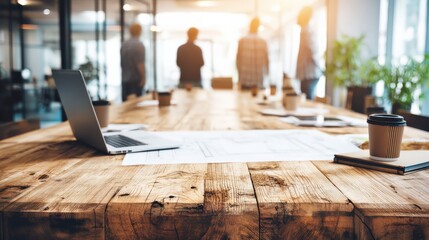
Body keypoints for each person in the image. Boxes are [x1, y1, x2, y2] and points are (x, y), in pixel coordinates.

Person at [295, 6, 322, 100]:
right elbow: (313, 51)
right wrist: (320, 67)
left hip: (308, 74)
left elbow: (312, 51)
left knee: (306, 100)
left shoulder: (306, 30)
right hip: (309, 73)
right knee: (307, 100)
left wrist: (320, 66)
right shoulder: (306, 30)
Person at [236, 17, 269, 89]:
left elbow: (238, 61)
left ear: (249, 26)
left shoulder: (242, 41)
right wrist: (267, 75)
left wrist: (239, 77)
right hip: (258, 82)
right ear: (258, 27)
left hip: (244, 81)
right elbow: (267, 62)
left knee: (243, 100)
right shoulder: (263, 42)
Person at [121, 23, 146, 102]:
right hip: (135, 80)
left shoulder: (124, 44)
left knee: (126, 105)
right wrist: (144, 78)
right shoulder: (139, 45)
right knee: (136, 106)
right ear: (140, 31)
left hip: (125, 79)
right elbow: (140, 64)